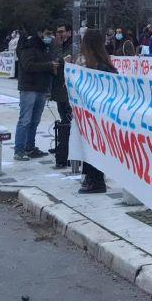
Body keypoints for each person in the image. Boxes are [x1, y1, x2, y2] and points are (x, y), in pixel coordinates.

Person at [74, 29, 117, 193]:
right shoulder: (105, 63)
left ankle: (95, 181)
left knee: (90, 146)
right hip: (99, 113)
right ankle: (92, 178)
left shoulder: (87, 63)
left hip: (90, 113)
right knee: (95, 146)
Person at [14, 25, 55, 161]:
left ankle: (29, 147)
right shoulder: (29, 46)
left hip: (41, 88)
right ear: (40, 33)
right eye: (47, 33)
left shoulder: (44, 48)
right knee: (25, 120)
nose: (50, 36)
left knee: (34, 120)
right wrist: (49, 65)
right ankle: (19, 149)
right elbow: (28, 65)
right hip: (29, 87)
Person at [50, 22, 74, 168]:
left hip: (67, 89)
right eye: (58, 31)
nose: (59, 34)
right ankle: (63, 147)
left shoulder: (71, 46)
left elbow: (63, 61)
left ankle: (68, 149)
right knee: (62, 118)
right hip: (59, 88)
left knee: (68, 119)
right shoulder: (58, 45)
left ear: (69, 33)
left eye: (62, 31)